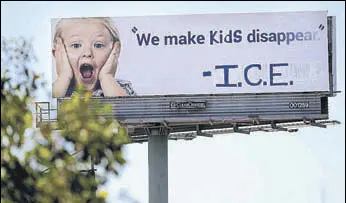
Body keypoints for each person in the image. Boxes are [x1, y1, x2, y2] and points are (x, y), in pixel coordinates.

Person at [52, 17, 136, 97]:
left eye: (98, 45)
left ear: (115, 51)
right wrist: (63, 78)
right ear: (57, 54)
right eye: (76, 45)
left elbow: (128, 111)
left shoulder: (121, 88)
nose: (87, 53)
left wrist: (107, 77)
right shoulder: (54, 89)